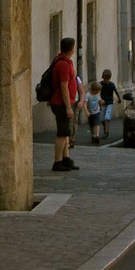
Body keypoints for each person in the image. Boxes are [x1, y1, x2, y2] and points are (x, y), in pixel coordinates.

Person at [49, 37, 79, 171]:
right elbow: (64, 87)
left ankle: (66, 158)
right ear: (72, 49)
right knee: (62, 132)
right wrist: (68, 107)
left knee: (66, 131)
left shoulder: (64, 61)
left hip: (64, 102)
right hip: (61, 103)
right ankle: (57, 161)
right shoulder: (63, 64)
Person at [100, 69, 121, 139]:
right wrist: (100, 99)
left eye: (107, 79)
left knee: (107, 117)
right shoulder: (101, 84)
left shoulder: (111, 84)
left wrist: (119, 98)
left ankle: (106, 132)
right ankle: (105, 127)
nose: (106, 81)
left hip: (109, 102)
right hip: (103, 103)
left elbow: (116, 91)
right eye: (105, 79)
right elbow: (99, 92)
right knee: (102, 119)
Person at [69, 74, 86, 149]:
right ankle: (67, 140)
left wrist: (81, 101)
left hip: (74, 102)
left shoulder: (76, 78)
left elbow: (82, 91)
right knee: (67, 122)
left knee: (74, 122)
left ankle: (72, 139)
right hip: (66, 102)